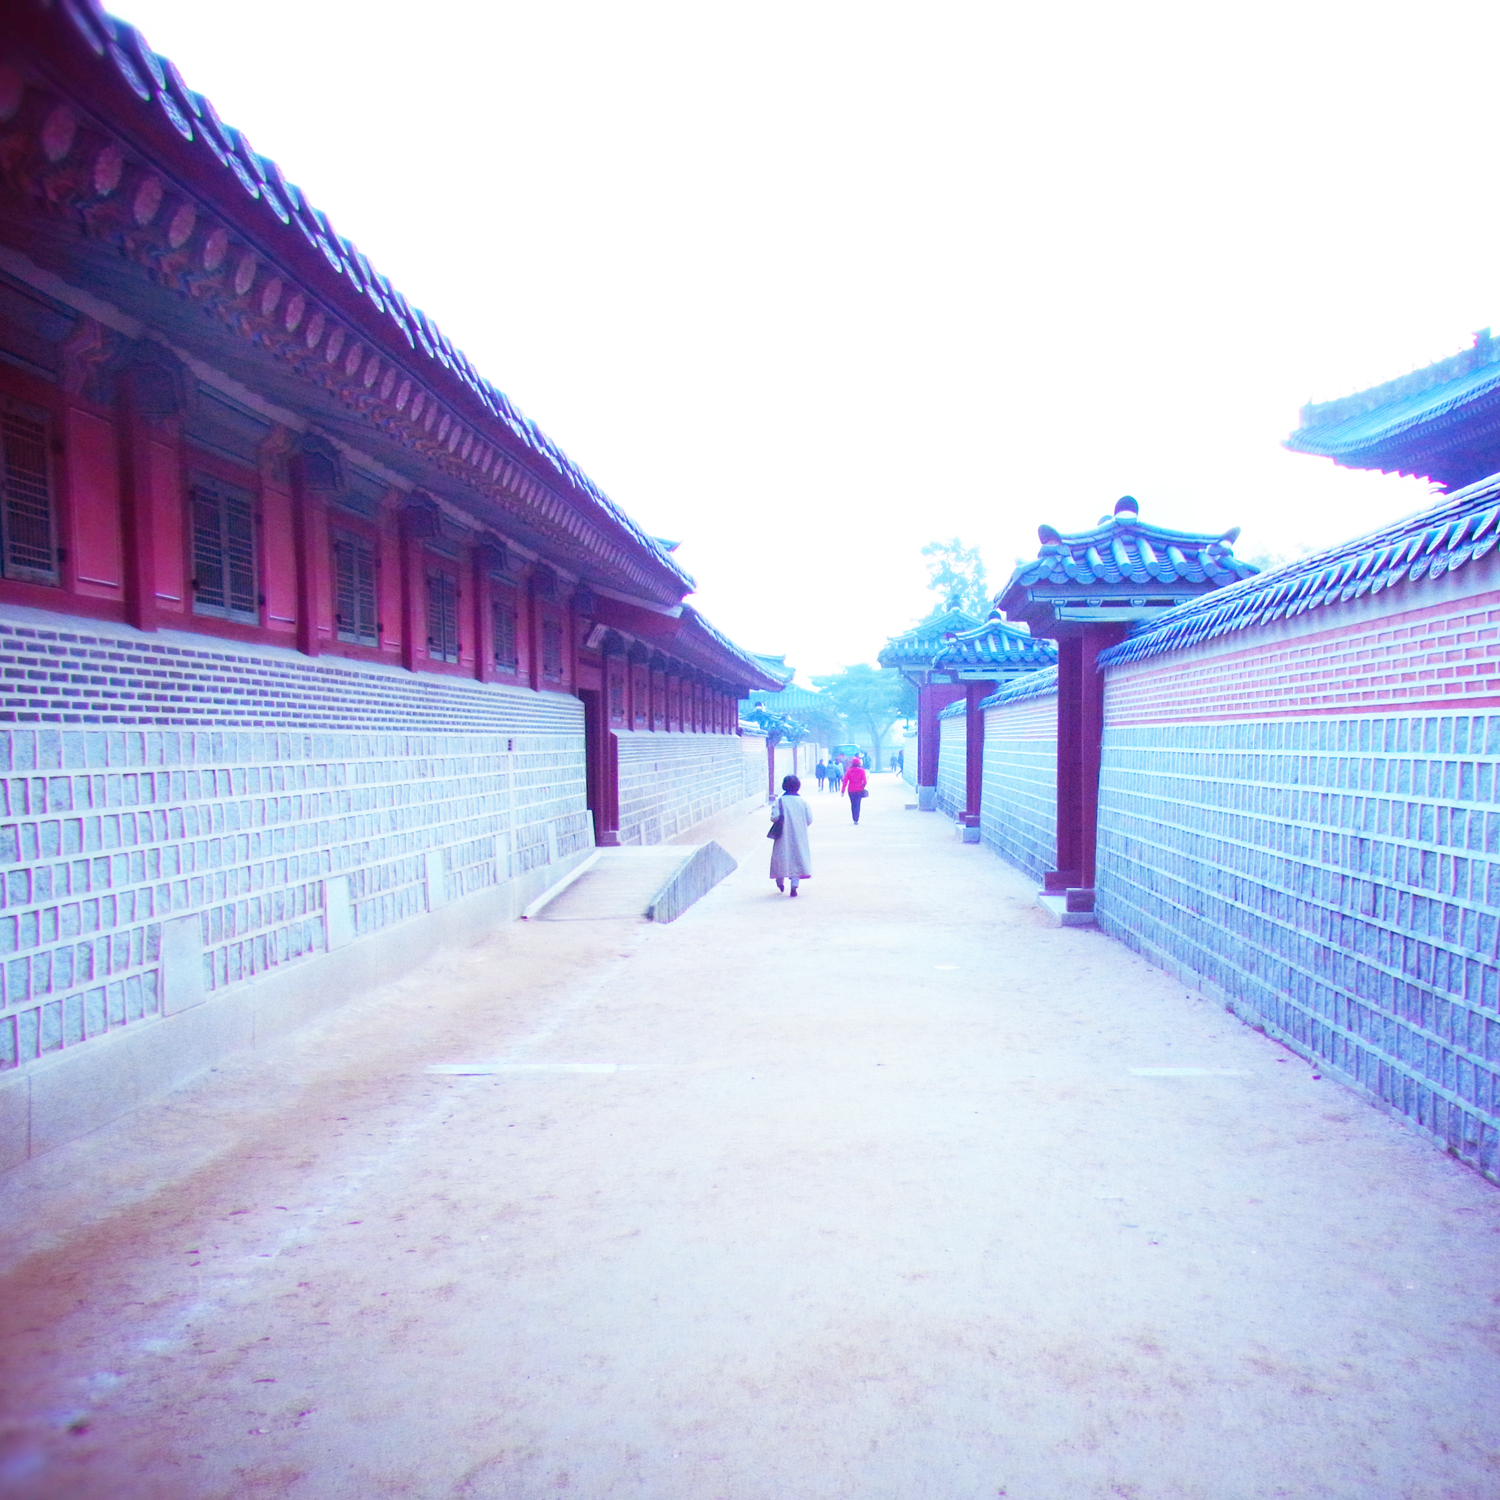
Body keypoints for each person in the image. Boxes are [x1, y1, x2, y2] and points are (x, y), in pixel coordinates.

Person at [769, 773, 812, 896]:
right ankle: (794, 885)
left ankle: (780, 881)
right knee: (797, 857)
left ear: (784, 786)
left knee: (781, 857)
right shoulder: (803, 802)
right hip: (799, 834)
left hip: (782, 834)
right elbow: (809, 819)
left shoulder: (779, 801)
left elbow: (774, 817)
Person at [843, 754, 868, 823]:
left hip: (851, 790)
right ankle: (857, 818)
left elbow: (845, 781)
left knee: (853, 804)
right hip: (859, 790)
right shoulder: (862, 771)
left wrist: (843, 790)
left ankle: (854, 817)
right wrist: (862, 786)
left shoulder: (849, 771)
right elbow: (865, 781)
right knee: (858, 804)